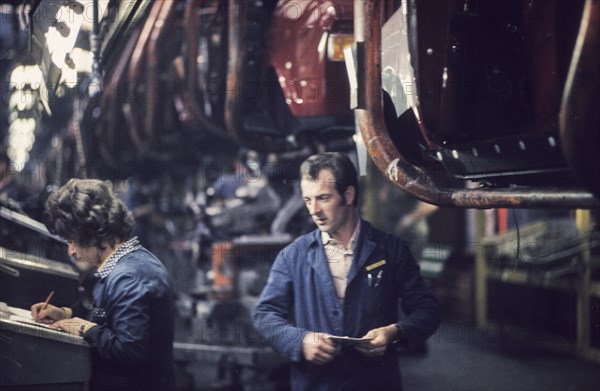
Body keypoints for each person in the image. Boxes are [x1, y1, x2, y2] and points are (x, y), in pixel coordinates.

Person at [252, 152, 440, 391]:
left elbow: (428, 310)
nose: (314, 210)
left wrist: (395, 332)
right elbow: (264, 314)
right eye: (307, 200)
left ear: (348, 195)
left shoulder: (391, 250)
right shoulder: (293, 255)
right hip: (317, 384)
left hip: (374, 384)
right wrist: (300, 341)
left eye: (323, 198)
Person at [30, 178, 176, 391]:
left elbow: (129, 351)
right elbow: (109, 315)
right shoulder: (124, 263)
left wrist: (82, 327)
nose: (71, 251)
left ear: (93, 232)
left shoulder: (129, 276)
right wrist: (66, 314)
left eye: (73, 240)